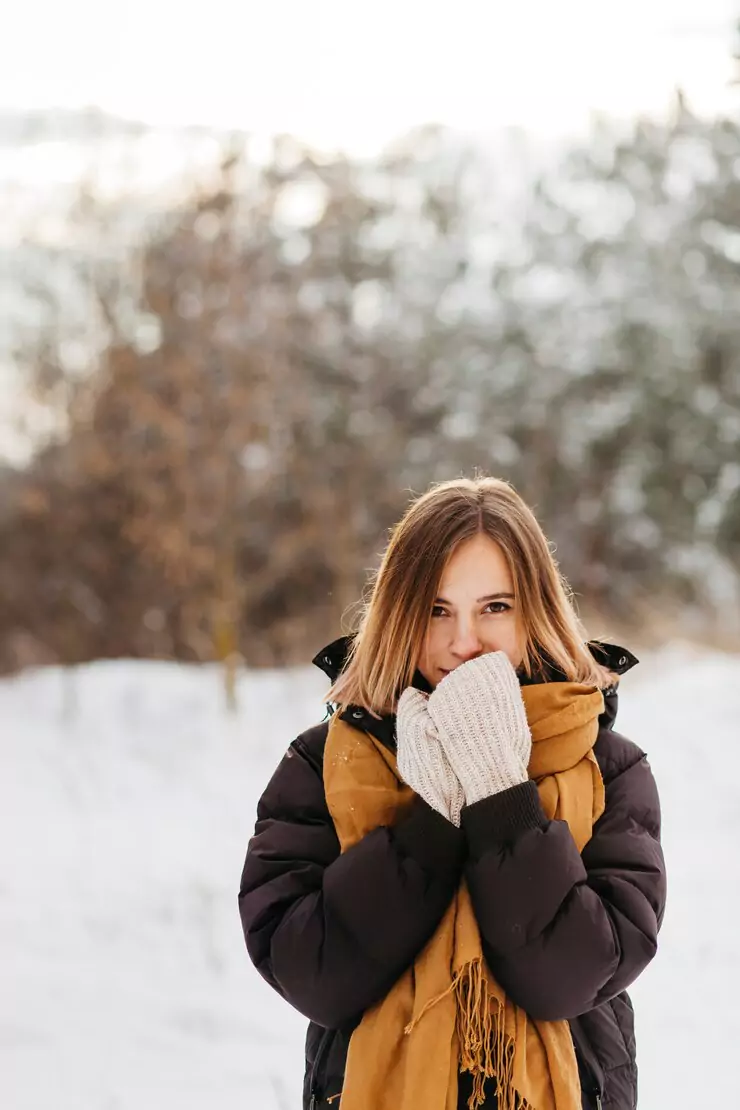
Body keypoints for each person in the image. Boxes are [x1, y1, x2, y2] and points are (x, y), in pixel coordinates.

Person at [239, 477, 666, 1110]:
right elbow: (315, 976)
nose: (463, 641)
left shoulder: (607, 767)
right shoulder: (325, 764)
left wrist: (499, 793)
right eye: (437, 610)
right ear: (399, 613)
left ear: (536, 610)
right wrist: (431, 823)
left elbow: (569, 977)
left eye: (495, 607)